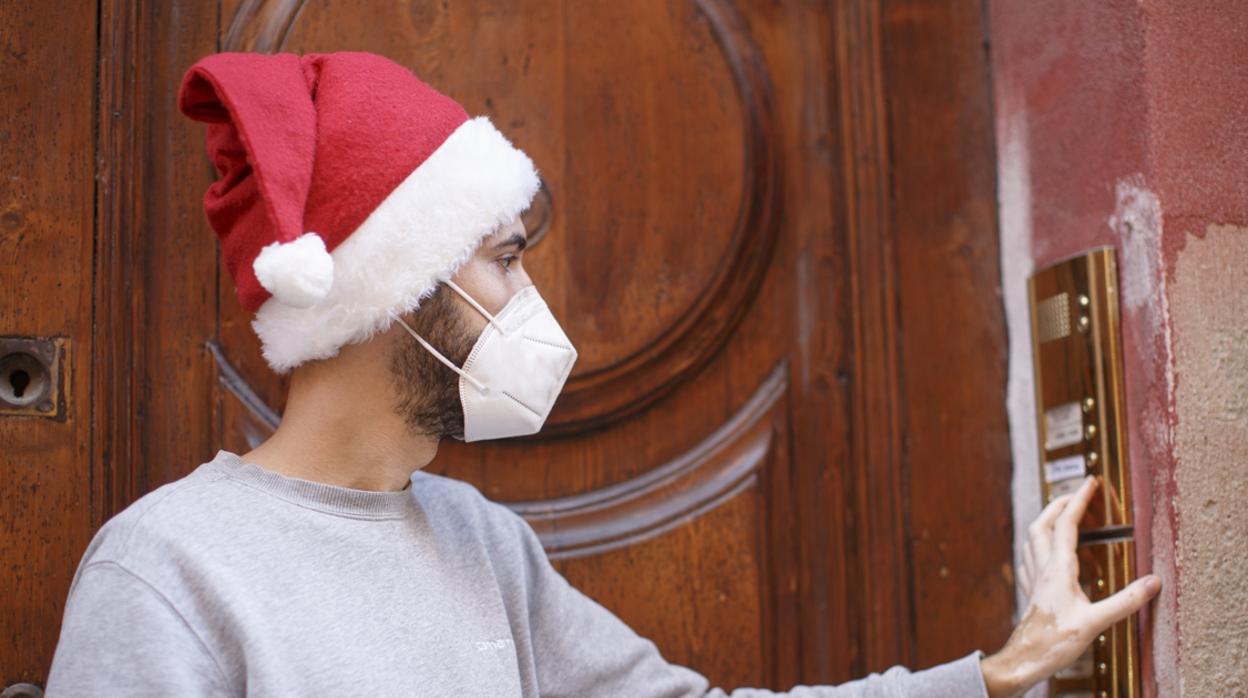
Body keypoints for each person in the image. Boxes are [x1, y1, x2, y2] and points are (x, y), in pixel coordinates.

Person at [44, 51, 1160, 697]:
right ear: (395, 287)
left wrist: (1000, 673)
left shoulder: (480, 542)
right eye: (505, 257)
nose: (534, 304)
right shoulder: (166, 571)